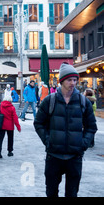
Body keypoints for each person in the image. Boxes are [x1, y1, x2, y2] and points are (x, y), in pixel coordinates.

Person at [34, 63, 97, 197]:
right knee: (51, 193)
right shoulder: (50, 101)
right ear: (62, 81)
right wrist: (48, 140)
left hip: (74, 157)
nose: (73, 83)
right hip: (54, 156)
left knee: (72, 193)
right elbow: (38, 123)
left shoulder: (83, 101)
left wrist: (83, 144)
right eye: (69, 80)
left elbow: (91, 127)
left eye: (75, 80)